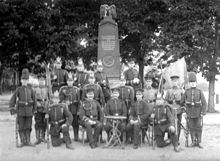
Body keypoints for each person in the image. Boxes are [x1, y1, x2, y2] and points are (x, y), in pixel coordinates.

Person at [9, 68, 36, 147]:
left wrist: (34, 112)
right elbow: (12, 101)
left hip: (29, 112)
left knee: (28, 126)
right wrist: (13, 112)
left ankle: (28, 141)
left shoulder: (31, 89)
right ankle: (22, 141)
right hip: (20, 112)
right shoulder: (18, 90)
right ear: (21, 81)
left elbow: (34, 101)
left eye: (26, 80)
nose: (25, 81)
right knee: (21, 127)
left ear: (28, 81)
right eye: (23, 80)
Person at [184, 72, 207, 148]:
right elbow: (182, 102)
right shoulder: (186, 92)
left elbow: (204, 103)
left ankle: (199, 142)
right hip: (190, 113)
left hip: (198, 113)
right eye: (191, 82)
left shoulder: (199, 91)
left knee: (198, 127)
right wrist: (184, 111)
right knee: (191, 127)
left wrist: (203, 112)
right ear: (189, 83)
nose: (192, 84)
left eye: (194, 82)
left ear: (196, 83)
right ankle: (193, 141)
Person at [59, 73, 80, 141]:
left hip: (74, 108)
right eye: (68, 81)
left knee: (75, 123)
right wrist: (65, 102)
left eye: (71, 81)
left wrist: (78, 110)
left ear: (73, 81)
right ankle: (66, 137)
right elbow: (60, 100)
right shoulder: (63, 89)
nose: (70, 82)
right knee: (66, 122)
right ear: (67, 81)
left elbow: (79, 101)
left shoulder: (76, 89)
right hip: (66, 109)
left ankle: (76, 136)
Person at [165, 73, 184, 142]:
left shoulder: (181, 90)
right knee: (171, 124)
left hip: (178, 110)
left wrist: (181, 107)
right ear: (171, 82)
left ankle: (177, 139)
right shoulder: (169, 91)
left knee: (178, 125)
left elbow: (183, 101)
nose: (174, 82)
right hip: (170, 110)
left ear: (178, 82)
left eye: (176, 81)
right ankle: (170, 138)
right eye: (173, 81)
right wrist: (169, 106)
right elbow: (165, 101)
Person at [34, 76, 51, 145]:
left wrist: (47, 104)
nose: (42, 82)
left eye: (43, 81)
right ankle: (38, 138)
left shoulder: (47, 89)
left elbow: (50, 98)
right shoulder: (35, 89)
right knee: (38, 122)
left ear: (44, 82)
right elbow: (33, 98)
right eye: (40, 81)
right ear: (38, 82)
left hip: (45, 109)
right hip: (38, 108)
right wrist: (37, 104)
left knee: (45, 122)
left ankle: (43, 137)